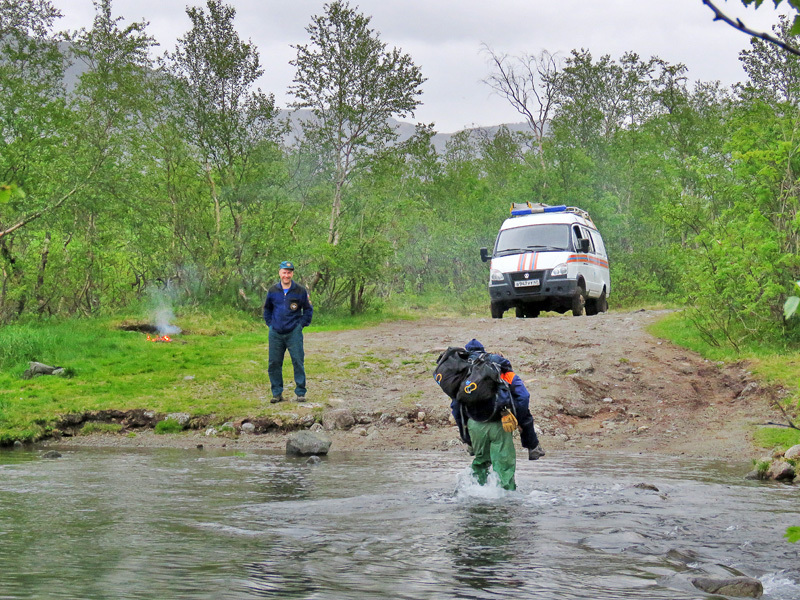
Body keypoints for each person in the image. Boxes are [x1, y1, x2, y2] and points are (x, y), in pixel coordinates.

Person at [449, 339, 545, 490]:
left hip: (475, 425)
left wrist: (467, 438)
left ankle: (474, 494)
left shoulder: (465, 377)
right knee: (504, 464)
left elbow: (456, 407)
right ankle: (506, 498)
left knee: (480, 462)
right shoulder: (505, 373)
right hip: (500, 423)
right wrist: (519, 419)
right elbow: (523, 397)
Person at [263, 261, 313, 403]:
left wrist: (301, 325)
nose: (286, 275)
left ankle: (300, 392)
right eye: (284, 272)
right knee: (274, 363)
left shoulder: (300, 290)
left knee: (298, 361)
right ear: (279, 273)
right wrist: (270, 324)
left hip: (293, 332)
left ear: (292, 274)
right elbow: (267, 309)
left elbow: (308, 309)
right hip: (276, 333)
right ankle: (277, 393)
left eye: (289, 272)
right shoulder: (273, 290)